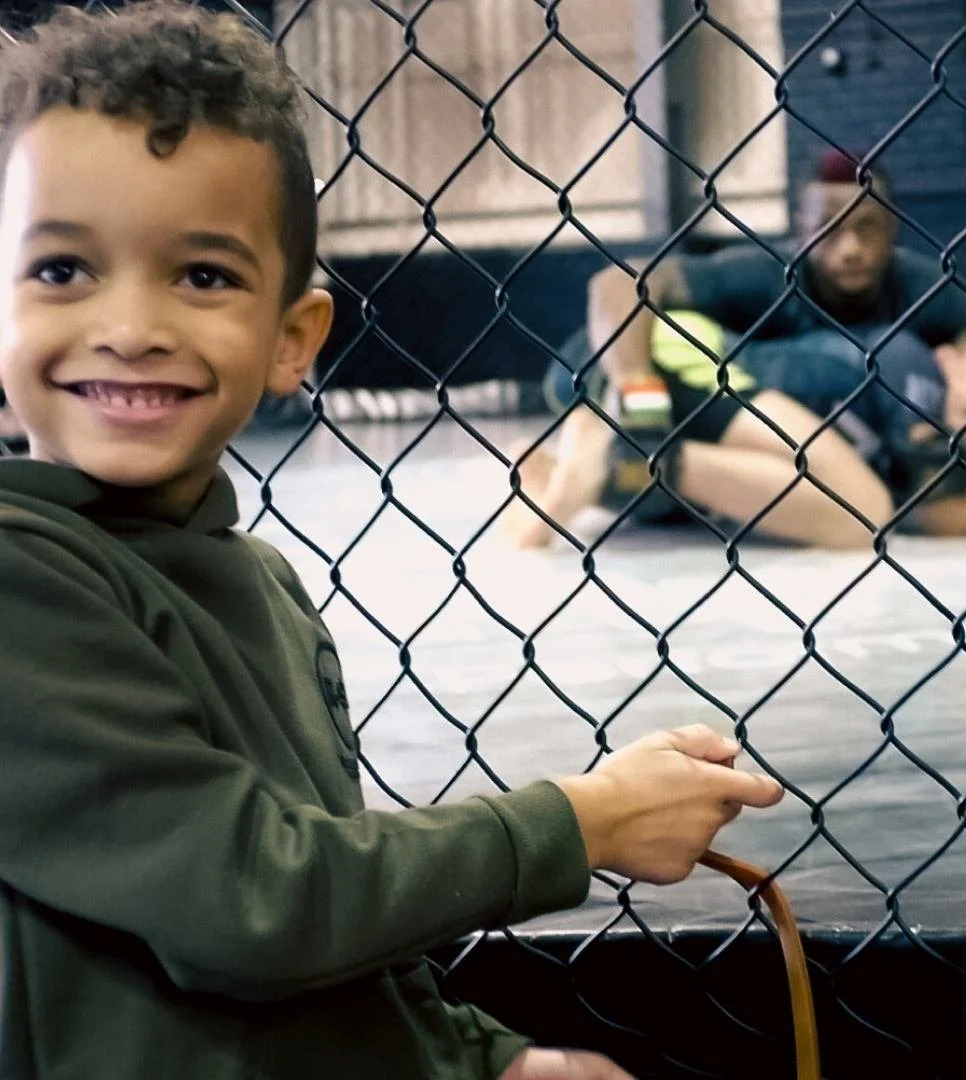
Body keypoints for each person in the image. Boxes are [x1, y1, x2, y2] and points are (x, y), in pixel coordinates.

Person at [0, 5, 785, 1080]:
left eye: (203, 276)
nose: (131, 325)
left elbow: (336, 954)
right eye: (61, 271)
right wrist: (580, 821)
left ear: (292, 338)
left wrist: (487, 1059)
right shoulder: (18, 578)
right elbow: (256, 899)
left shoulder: (259, 583)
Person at [503, 155, 966, 549]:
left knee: (797, 500)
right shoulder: (892, 358)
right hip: (643, 361)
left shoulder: (931, 299)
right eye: (829, 228)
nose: (850, 248)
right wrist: (636, 382)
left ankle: (589, 471)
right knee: (859, 511)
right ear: (800, 230)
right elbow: (616, 284)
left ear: (894, 232)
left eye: (867, 229)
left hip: (717, 387)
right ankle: (614, 454)